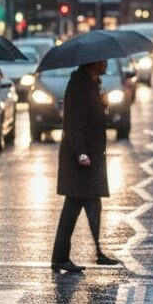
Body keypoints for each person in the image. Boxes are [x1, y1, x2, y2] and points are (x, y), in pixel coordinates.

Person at [51, 60, 120, 272]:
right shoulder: (79, 87)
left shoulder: (93, 84)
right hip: (82, 159)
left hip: (91, 157)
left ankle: (86, 254)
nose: (106, 63)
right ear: (93, 63)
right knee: (76, 208)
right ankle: (67, 257)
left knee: (88, 206)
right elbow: (74, 125)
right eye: (103, 61)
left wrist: (103, 105)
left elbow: (92, 117)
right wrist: (80, 153)